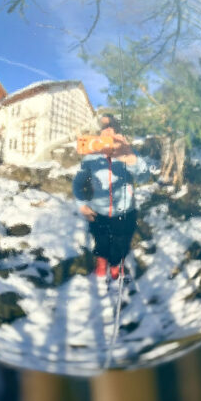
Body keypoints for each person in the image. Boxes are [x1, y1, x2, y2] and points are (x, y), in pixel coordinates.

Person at [73, 114, 148, 280]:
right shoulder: (91, 158)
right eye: (103, 130)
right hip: (98, 211)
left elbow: (144, 177)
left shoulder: (128, 153)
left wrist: (131, 158)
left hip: (125, 212)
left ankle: (115, 267)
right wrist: (81, 204)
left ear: (118, 134)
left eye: (111, 129)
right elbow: (77, 183)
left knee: (121, 243)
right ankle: (101, 265)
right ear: (98, 135)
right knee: (100, 240)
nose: (107, 133)